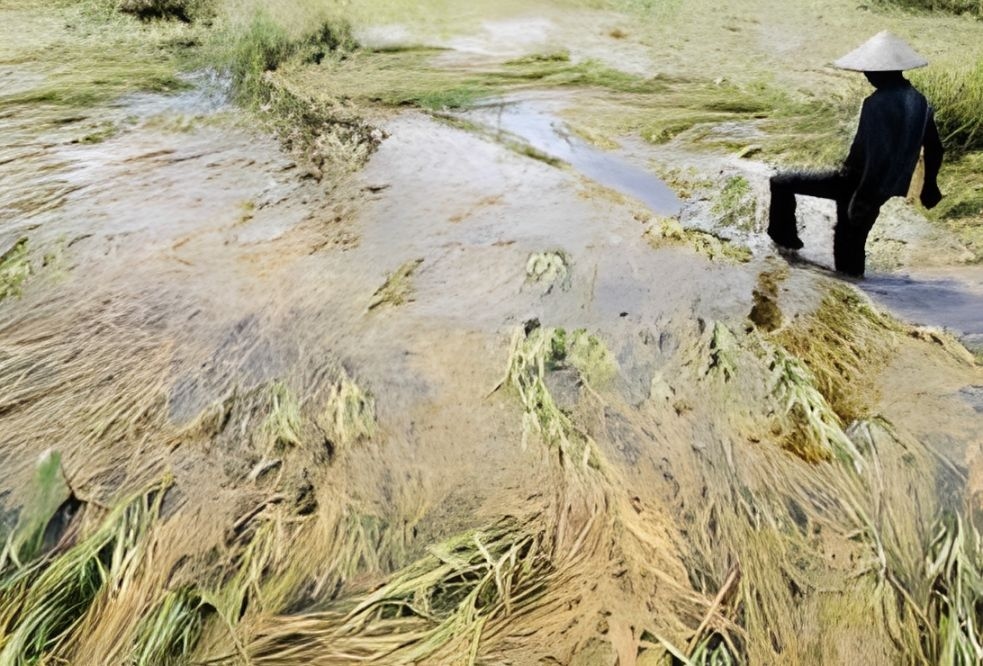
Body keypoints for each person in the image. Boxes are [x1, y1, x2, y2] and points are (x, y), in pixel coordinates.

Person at [768, 31, 944, 277]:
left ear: (881, 72)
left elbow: (876, 154)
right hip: (883, 186)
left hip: (857, 182)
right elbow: (935, 147)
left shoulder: (877, 103)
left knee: (781, 183)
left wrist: (862, 198)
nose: (867, 76)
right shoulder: (920, 102)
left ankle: (786, 245)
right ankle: (857, 289)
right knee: (851, 243)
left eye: (870, 71)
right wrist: (930, 185)